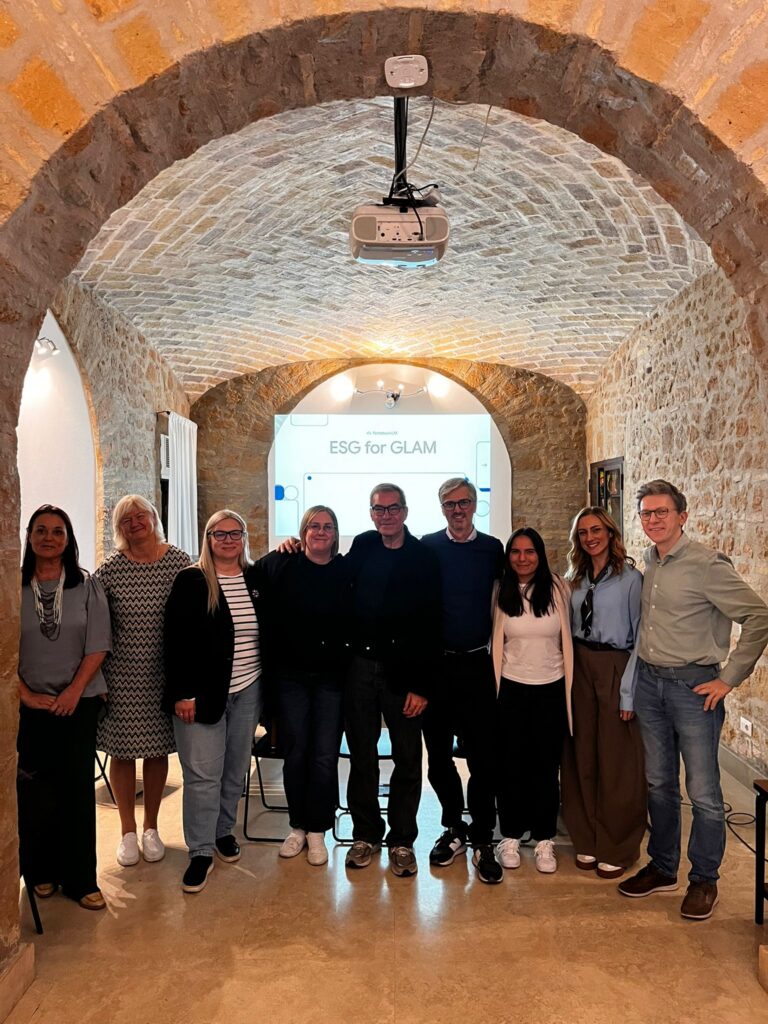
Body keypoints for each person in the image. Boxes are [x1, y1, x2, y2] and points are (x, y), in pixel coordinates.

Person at [618, 480, 768, 919]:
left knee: (702, 790)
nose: (653, 520)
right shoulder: (650, 560)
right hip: (650, 685)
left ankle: (704, 879)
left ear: (682, 516)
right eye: (646, 513)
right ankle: (663, 867)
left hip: (694, 689)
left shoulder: (707, 565)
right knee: (658, 783)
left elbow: (758, 616)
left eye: (661, 512)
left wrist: (728, 679)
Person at [344, 483, 442, 877]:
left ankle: (402, 840)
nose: (386, 515)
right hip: (360, 668)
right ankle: (366, 834)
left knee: (407, 757)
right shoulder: (363, 546)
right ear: (371, 513)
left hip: (404, 674)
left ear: (405, 511)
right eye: (378, 509)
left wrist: (422, 686)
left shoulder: (423, 556)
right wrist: (293, 547)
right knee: (362, 756)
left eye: (393, 508)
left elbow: (432, 623)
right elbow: (334, 579)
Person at [17, 505, 111, 911]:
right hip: (29, 705)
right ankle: (39, 872)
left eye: (58, 531)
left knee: (75, 790)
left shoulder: (87, 586)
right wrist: (23, 694)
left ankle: (79, 879)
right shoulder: (11, 586)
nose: (49, 538)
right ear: (29, 537)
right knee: (35, 793)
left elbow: (98, 644)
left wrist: (74, 691)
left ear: (68, 539)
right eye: (41, 530)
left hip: (79, 703)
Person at [164, 509, 264, 893]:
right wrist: (182, 693)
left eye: (235, 533)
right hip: (200, 694)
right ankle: (201, 850)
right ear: (208, 539)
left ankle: (223, 832)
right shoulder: (191, 580)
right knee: (203, 776)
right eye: (219, 534)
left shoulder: (256, 578)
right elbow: (175, 641)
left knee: (235, 770)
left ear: (244, 538)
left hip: (248, 690)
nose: (228, 540)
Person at [95, 495, 191, 868]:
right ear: (119, 528)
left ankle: (151, 827)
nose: (135, 523)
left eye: (141, 515)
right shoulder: (110, 570)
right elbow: (97, 628)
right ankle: (127, 831)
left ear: (153, 518)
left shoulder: (179, 562)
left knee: (156, 751)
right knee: (121, 753)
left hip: (164, 675)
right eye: (126, 519)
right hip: (121, 676)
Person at [421, 478, 504, 884]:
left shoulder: (492, 549)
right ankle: (454, 827)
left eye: (464, 502)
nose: (457, 510)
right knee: (438, 757)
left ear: (475, 505)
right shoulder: (427, 547)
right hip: (437, 667)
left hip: (477, 666)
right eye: (450, 504)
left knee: (482, 758)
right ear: (442, 508)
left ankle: (483, 836)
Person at [257, 505, 349, 867]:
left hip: (331, 680)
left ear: (335, 534)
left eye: (328, 526)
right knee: (295, 754)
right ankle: (297, 826)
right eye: (314, 526)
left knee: (324, 756)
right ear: (303, 532)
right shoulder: (283, 564)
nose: (321, 532)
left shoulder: (345, 570)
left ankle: (317, 830)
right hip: (291, 678)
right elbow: (250, 574)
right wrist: (280, 548)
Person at [561, 506, 645, 879]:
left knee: (618, 760)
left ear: (610, 533)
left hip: (615, 664)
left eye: (596, 530)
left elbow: (640, 637)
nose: (590, 538)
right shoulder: (574, 579)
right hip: (579, 665)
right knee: (580, 754)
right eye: (583, 533)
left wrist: (629, 692)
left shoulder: (631, 579)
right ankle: (587, 837)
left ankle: (618, 844)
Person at [491, 527, 573, 874]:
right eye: (515, 552)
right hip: (511, 688)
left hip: (551, 688)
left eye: (529, 552)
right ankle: (510, 835)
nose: (522, 558)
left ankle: (544, 839)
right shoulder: (499, 590)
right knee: (510, 764)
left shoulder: (559, 589)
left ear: (540, 555)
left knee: (545, 767)